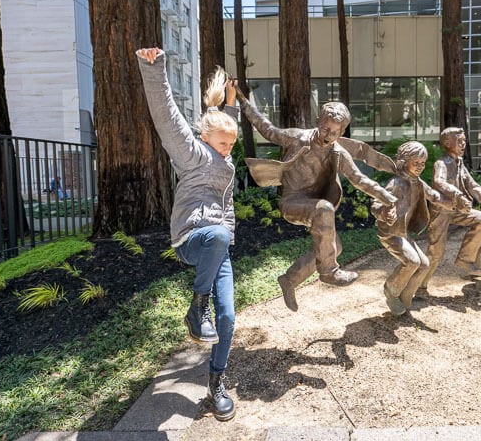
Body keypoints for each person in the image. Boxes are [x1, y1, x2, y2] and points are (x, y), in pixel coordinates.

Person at [137, 47, 238, 421]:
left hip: (218, 244)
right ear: (205, 137)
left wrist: (231, 102)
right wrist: (154, 69)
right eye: (225, 143)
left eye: (233, 145)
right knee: (217, 234)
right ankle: (197, 309)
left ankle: (216, 383)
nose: (230, 151)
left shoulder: (221, 156)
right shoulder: (192, 153)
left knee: (228, 318)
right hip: (193, 237)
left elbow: (225, 126)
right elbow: (166, 117)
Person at [235, 91, 398, 312]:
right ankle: (329, 271)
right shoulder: (296, 138)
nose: (328, 134)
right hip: (292, 202)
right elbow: (267, 129)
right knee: (324, 210)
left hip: (315, 205)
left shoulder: (338, 153)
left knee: (333, 246)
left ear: (341, 133)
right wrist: (244, 103)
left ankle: (290, 280)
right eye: (325, 128)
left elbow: (360, 180)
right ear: (318, 122)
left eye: (334, 132)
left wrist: (387, 198)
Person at [419, 127, 481, 290]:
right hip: (442, 212)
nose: (463, 144)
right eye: (459, 141)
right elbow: (439, 182)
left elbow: (473, 186)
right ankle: (419, 284)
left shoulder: (459, 163)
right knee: (436, 252)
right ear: (447, 143)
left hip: (458, 210)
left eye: (464, 141)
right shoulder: (442, 163)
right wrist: (458, 195)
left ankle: (465, 259)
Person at [370, 141, 452, 315]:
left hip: (403, 232)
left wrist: (450, 203)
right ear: (404, 161)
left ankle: (406, 297)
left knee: (424, 264)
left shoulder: (418, 182)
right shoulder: (397, 183)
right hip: (390, 232)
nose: (421, 167)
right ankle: (391, 289)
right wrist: (384, 212)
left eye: (423, 163)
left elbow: (432, 195)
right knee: (412, 261)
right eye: (416, 163)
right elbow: (376, 204)